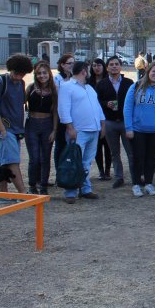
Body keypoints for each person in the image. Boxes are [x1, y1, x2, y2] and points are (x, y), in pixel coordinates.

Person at [57, 61, 106, 203]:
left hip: (93, 129)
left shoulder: (89, 88)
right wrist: (70, 128)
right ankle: (71, 191)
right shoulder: (67, 87)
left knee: (86, 162)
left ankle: (85, 188)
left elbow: (97, 108)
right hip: (79, 130)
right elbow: (63, 109)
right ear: (84, 71)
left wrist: (102, 124)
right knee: (73, 161)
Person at [123, 62, 155, 197]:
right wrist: (129, 128)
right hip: (138, 130)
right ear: (148, 72)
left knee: (151, 159)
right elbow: (127, 108)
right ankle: (136, 184)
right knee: (138, 158)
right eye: (154, 71)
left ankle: (149, 183)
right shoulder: (136, 87)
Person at [0, 54, 33, 202]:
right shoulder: (0, 82)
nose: (19, 76)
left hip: (15, 129)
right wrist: (2, 130)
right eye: (16, 73)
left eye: (22, 74)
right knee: (13, 161)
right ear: (11, 69)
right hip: (5, 130)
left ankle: (3, 195)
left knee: (4, 162)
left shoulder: (21, 83)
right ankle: (22, 194)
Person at [96, 56, 135, 189]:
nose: (114, 66)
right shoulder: (101, 84)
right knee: (114, 152)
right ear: (107, 68)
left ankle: (135, 176)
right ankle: (119, 177)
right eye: (111, 64)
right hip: (110, 122)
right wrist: (106, 103)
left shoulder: (129, 83)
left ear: (120, 66)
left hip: (126, 122)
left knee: (131, 151)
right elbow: (97, 102)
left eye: (116, 64)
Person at [24, 61, 57, 196]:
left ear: (49, 74)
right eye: (39, 73)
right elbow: (21, 103)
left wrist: (54, 130)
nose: (42, 76)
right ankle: (32, 185)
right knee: (34, 158)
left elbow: (55, 111)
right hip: (32, 124)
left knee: (45, 157)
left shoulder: (54, 90)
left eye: (44, 73)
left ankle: (44, 185)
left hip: (47, 124)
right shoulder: (31, 88)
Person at [88, 58, 111, 181]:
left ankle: (107, 170)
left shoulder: (108, 81)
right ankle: (101, 170)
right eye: (94, 65)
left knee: (108, 145)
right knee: (97, 145)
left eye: (99, 65)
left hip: (107, 116)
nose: (96, 67)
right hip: (93, 118)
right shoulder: (88, 82)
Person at [53, 53, 74, 168]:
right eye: (69, 63)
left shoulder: (75, 77)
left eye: (73, 63)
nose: (72, 65)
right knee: (60, 145)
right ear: (62, 65)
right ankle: (59, 171)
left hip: (74, 116)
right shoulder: (57, 78)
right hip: (61, 116)